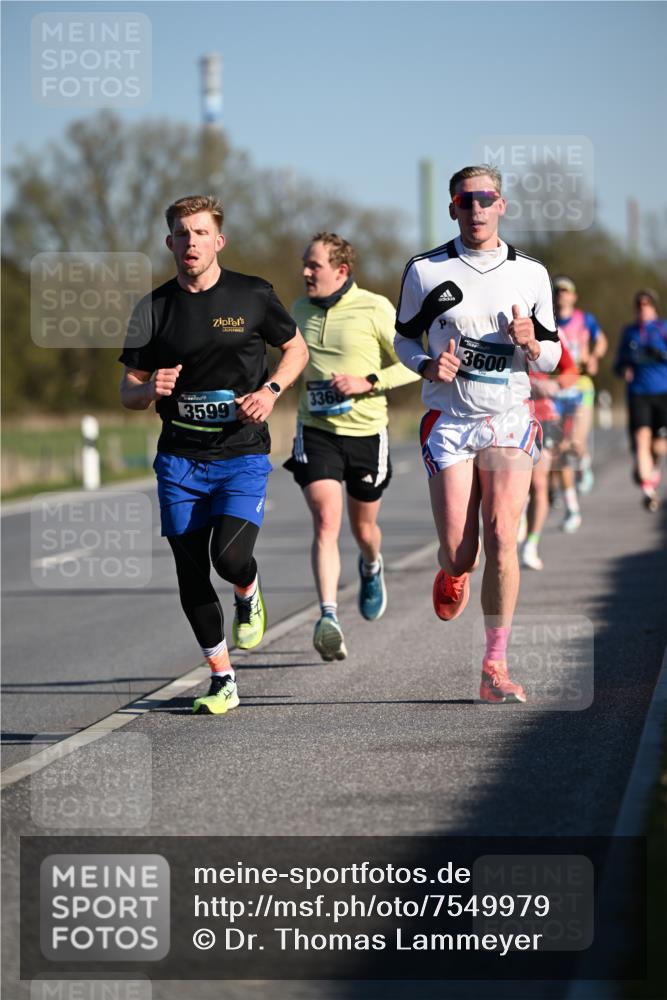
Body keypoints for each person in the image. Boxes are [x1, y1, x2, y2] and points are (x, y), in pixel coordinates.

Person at [119, 195, 308, 714]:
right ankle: (222, 677)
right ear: (169, 243)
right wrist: (149, 388)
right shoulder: (153, 309)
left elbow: (296, 349)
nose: (191, 242)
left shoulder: (253, 295)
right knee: (189, 571)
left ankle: (247, 588)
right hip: (179, 459)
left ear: (218, 240)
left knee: (228, 558)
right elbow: (127, 390)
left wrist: (270, 391)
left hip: (241, 453)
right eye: (181, 233)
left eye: (200, 232)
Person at [394, 164, 561, 704]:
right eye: (466, 201)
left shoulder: (531, 274)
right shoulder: (424, 270)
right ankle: (454, 573)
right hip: (450, 422)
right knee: (461, 552)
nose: (477, 208)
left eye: (486, 198)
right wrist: (425, 365)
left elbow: (557, 357)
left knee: (502, 535)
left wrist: (532, 344)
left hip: (509, 417)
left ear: (502, 205)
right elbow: (402, 341)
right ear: (453, 208)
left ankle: (495, 665)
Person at [284, 232, 420, 661]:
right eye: (305, 264)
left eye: (314, 265)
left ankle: (371, 565)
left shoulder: (375, 307)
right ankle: (328, 616)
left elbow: (414, 363)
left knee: (363, 530)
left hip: (366, 433)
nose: (305, 272)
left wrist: (368, 381)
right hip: (317, 429)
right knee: (326, 520)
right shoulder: (298, 311)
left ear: (341, 271)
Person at [552, 276, 608, 533]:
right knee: (557, 450)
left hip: (581, 385)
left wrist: (594, 356)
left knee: (575, 442)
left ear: (573, 296)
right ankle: (568, 504)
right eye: (558, 291)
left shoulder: (585, 319)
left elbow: (602, 341)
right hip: (557, 389)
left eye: (567, 291)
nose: (562, 295)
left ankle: (583, 465)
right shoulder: (547, 321)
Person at [520, 341, 579, 570]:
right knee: (514, 481)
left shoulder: (547, 334)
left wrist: (556, 385)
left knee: (538, 483)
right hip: (508, 418)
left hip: (544, 416)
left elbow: (570, 370)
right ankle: (517, 518)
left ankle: (531, 545)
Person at [614, 288, 667, 511]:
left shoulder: (663, 328)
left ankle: (649, 470)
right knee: (641, 438)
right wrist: (624, 367)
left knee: (660, 447)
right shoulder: (630, 332)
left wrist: (661, 355)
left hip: (662, 392)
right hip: (638, 393)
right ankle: (648, 490)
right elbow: (617, 364)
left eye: (647, 304)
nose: (642, 307)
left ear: (653, 306)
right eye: (639, 304)